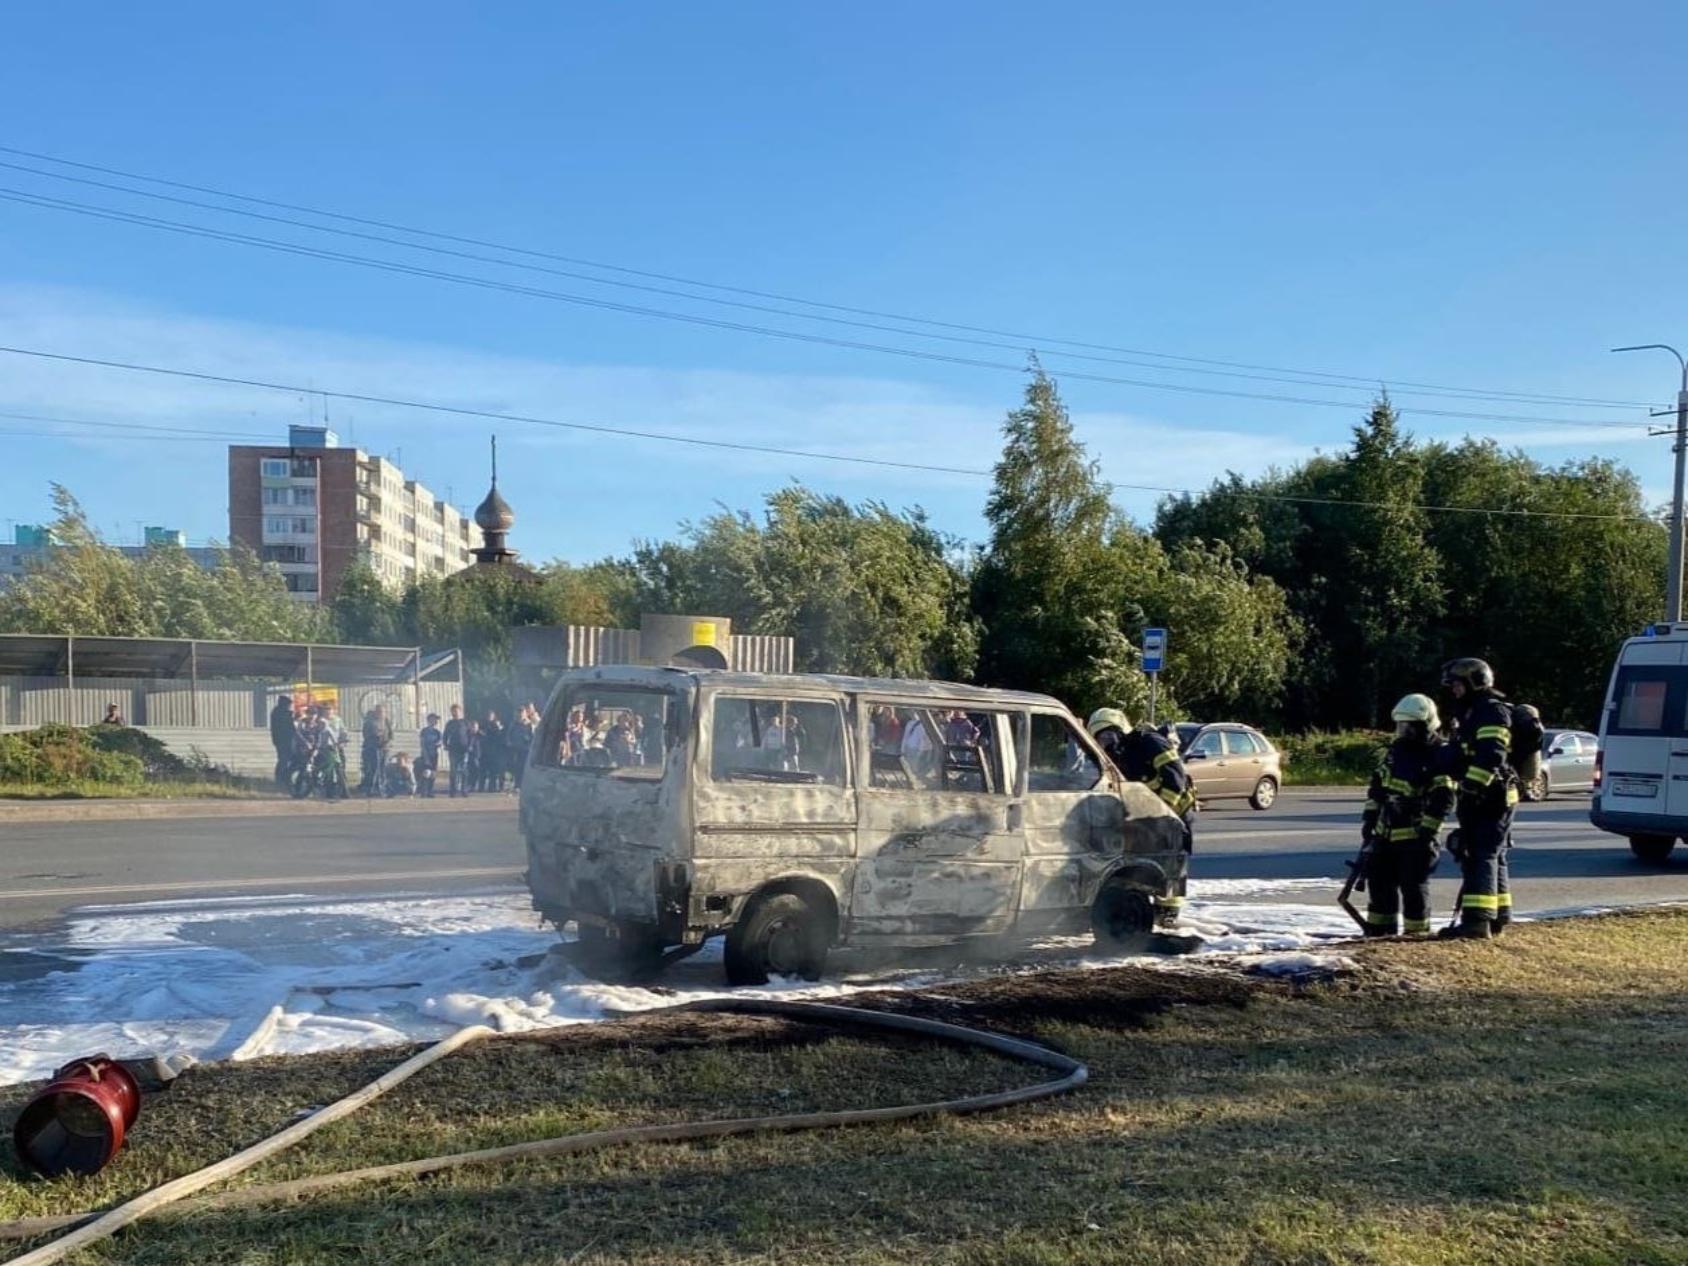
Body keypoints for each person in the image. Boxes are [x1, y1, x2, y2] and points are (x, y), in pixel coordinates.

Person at [1359, 694, 1457, 936]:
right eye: (1400, 726)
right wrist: (1370, 820)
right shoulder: (1395, 753)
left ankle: (1416, 936)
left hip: (1416, 837)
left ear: (1424, 724)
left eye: (1408, 726)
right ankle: (1380, 934)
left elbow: (1443, 798)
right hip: (1385, 836)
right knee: (1379, 885)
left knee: (1413, 888)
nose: (1403, 731)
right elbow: (1377, 789)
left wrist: (1427, 832)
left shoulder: (1438, 756)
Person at [1439, 657, 1518, 940]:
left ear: (1474, 682)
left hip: (1491, 796)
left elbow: (1492, 754)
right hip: (1483, 795)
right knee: (1491, 854)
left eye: (1457, 684)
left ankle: (1476, 922)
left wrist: (1473, 785)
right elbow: (1463, 753)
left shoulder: (1492, 712)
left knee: (1481, 854)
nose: (1454, 690)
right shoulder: (1471, 712)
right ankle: (1498, 918)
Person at [1087, 707, 1198, 890]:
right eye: (1101, 738)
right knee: (1146, 858)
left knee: (1172, 861)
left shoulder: (1150, 742)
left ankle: (1169, 911)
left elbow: (1175, 777)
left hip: (1176, 810)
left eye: (1109, 734)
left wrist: (1163, 812)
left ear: (1120, 729)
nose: (1106, 741)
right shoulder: (1118, 754)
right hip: (1148, 813)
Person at [360, 705, 393, 797]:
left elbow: (391, 734)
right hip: (374, 748)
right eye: (378, 711)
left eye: (382, 712)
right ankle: (372, 788)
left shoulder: (386, 721)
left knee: (383, 768)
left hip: (385, 749)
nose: (381, 714)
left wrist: (388, 743)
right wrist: (376, 739)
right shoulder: (369, 722)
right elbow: (366, 735)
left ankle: (382, 788)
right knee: (374, 769)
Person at [269, 695, 298, 789]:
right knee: (284, 759)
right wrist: (294, 716)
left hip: (284, 740)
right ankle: (281, 778)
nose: (289, 706)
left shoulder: (278, 712)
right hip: (283, 740)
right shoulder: (279, 712)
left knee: (286, 759)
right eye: (288, 704)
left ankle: (284, 778)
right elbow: (287, 722)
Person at [443, 704, 470, 798]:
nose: (455, 713)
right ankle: (453, 790)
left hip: (464, 749)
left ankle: (464, 789)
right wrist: (445, 744)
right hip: (453, 749)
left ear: (460, 711)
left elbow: (470, 735)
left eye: (457, 711)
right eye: (453, 711)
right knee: (453, 771)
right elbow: (445, 735)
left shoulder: (465, 722)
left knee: (464, 770)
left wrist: (469, 746)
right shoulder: (449, 723)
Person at [509, 703, 536, 788]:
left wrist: (528, 740)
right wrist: (509, 742)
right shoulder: (514, 724)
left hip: (525, 749)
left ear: (525, 713)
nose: (520, 715)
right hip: (515, 748)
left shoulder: (529, 724)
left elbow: (533, 737)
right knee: (516, 767)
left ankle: (524, 784)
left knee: (524, 767)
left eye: (522, 713)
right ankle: (517, 784)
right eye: (519, 713)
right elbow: (509, 735)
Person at [417, 713, 443, 799]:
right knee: (426, 772)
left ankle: (430, 791)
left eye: (436, 720)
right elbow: (422, 743)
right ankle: (423, 791)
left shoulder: (437, 732)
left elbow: (440, 742)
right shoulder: (424, 731)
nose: (435, 721)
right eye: (433, 719)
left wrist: (439, 743)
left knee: (433, 773)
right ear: (429, 720)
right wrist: (425, 756)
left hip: (434, 755)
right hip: (426, 754)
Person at [479, 711, 507, 792]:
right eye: (488, 715)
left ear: (494, 716)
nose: (489, 717)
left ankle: (492, 787)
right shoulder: (482, 724)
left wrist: (498, 728)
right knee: (483, 771)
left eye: (491, 715)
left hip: (494, 751)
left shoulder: (496, 725)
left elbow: (499, 736)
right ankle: (481, 787)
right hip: (484, 751)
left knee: (493, 771)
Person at [463, 719, 483, 793]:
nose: (474, 728)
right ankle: (468, 786)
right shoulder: (466, 735)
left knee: (476, 771)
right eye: (473, 727)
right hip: (468, 756)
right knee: (468, 771)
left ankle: (473, 785)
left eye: (476, 727)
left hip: (478, 755)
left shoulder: (480, 735)